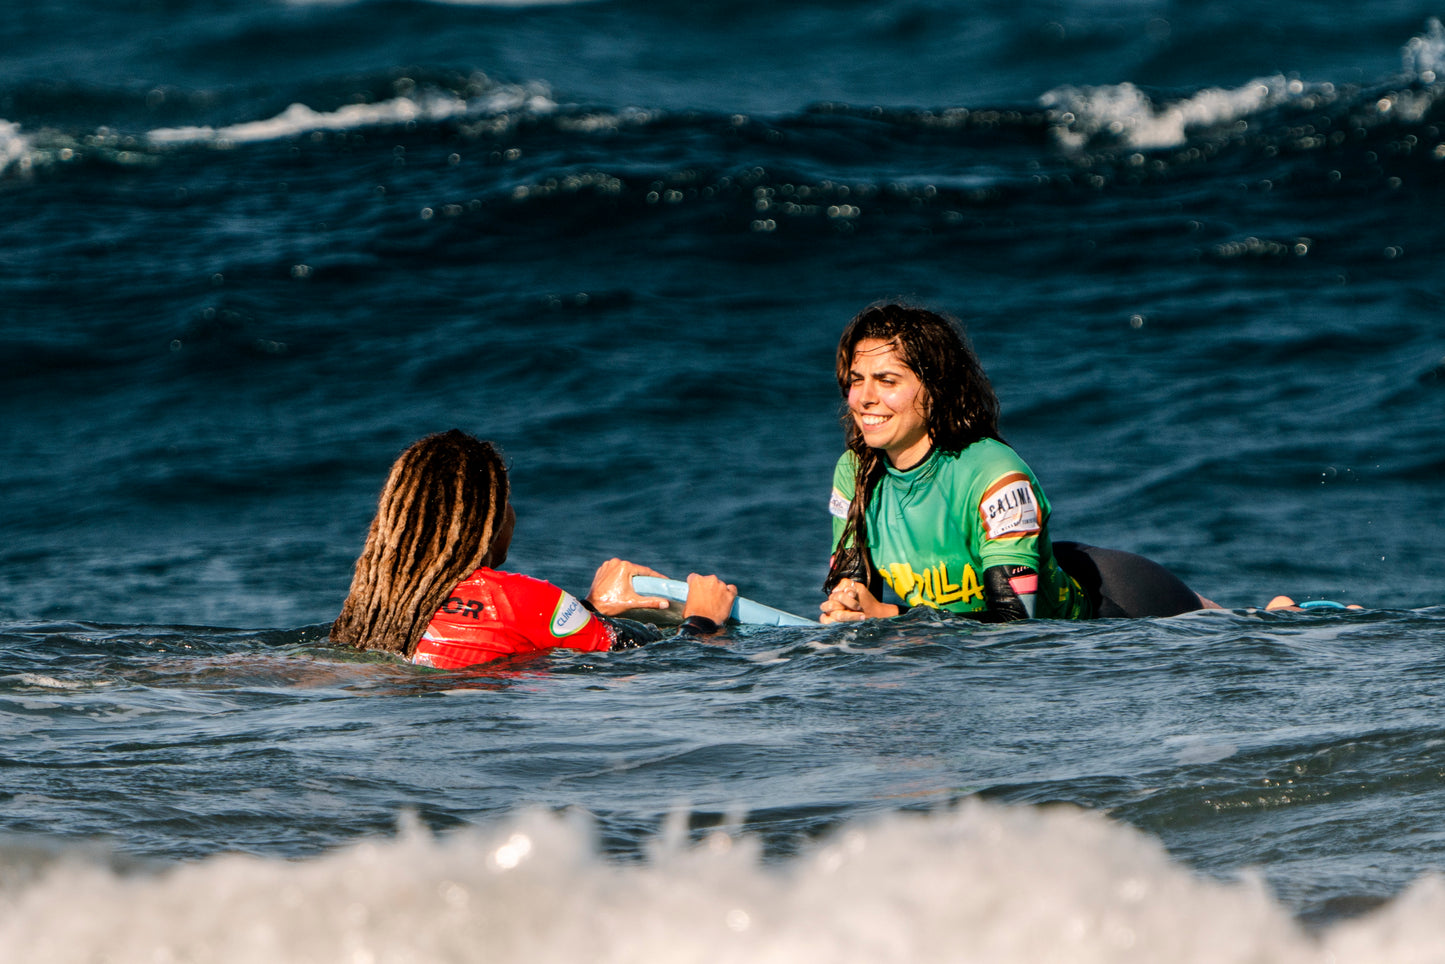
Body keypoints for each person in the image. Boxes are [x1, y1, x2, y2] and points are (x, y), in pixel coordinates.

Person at [820, 303, 1215, 624]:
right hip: (1009, 595)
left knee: (1232, 631)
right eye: (856, 380)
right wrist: (849, 610)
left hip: (1111, 609)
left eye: (887, 381)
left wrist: (891, 616)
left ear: (936, 389)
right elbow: (855, 597)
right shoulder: (856, 473)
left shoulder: (994, 475)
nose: (863, 398)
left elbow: (1014, 624)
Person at [331, 430, 737, 668]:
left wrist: (590, 608)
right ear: (490, 519)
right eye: (505, 499)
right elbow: (658, 663)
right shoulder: (520, 598)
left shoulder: (371, 610)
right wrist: (702, 620)